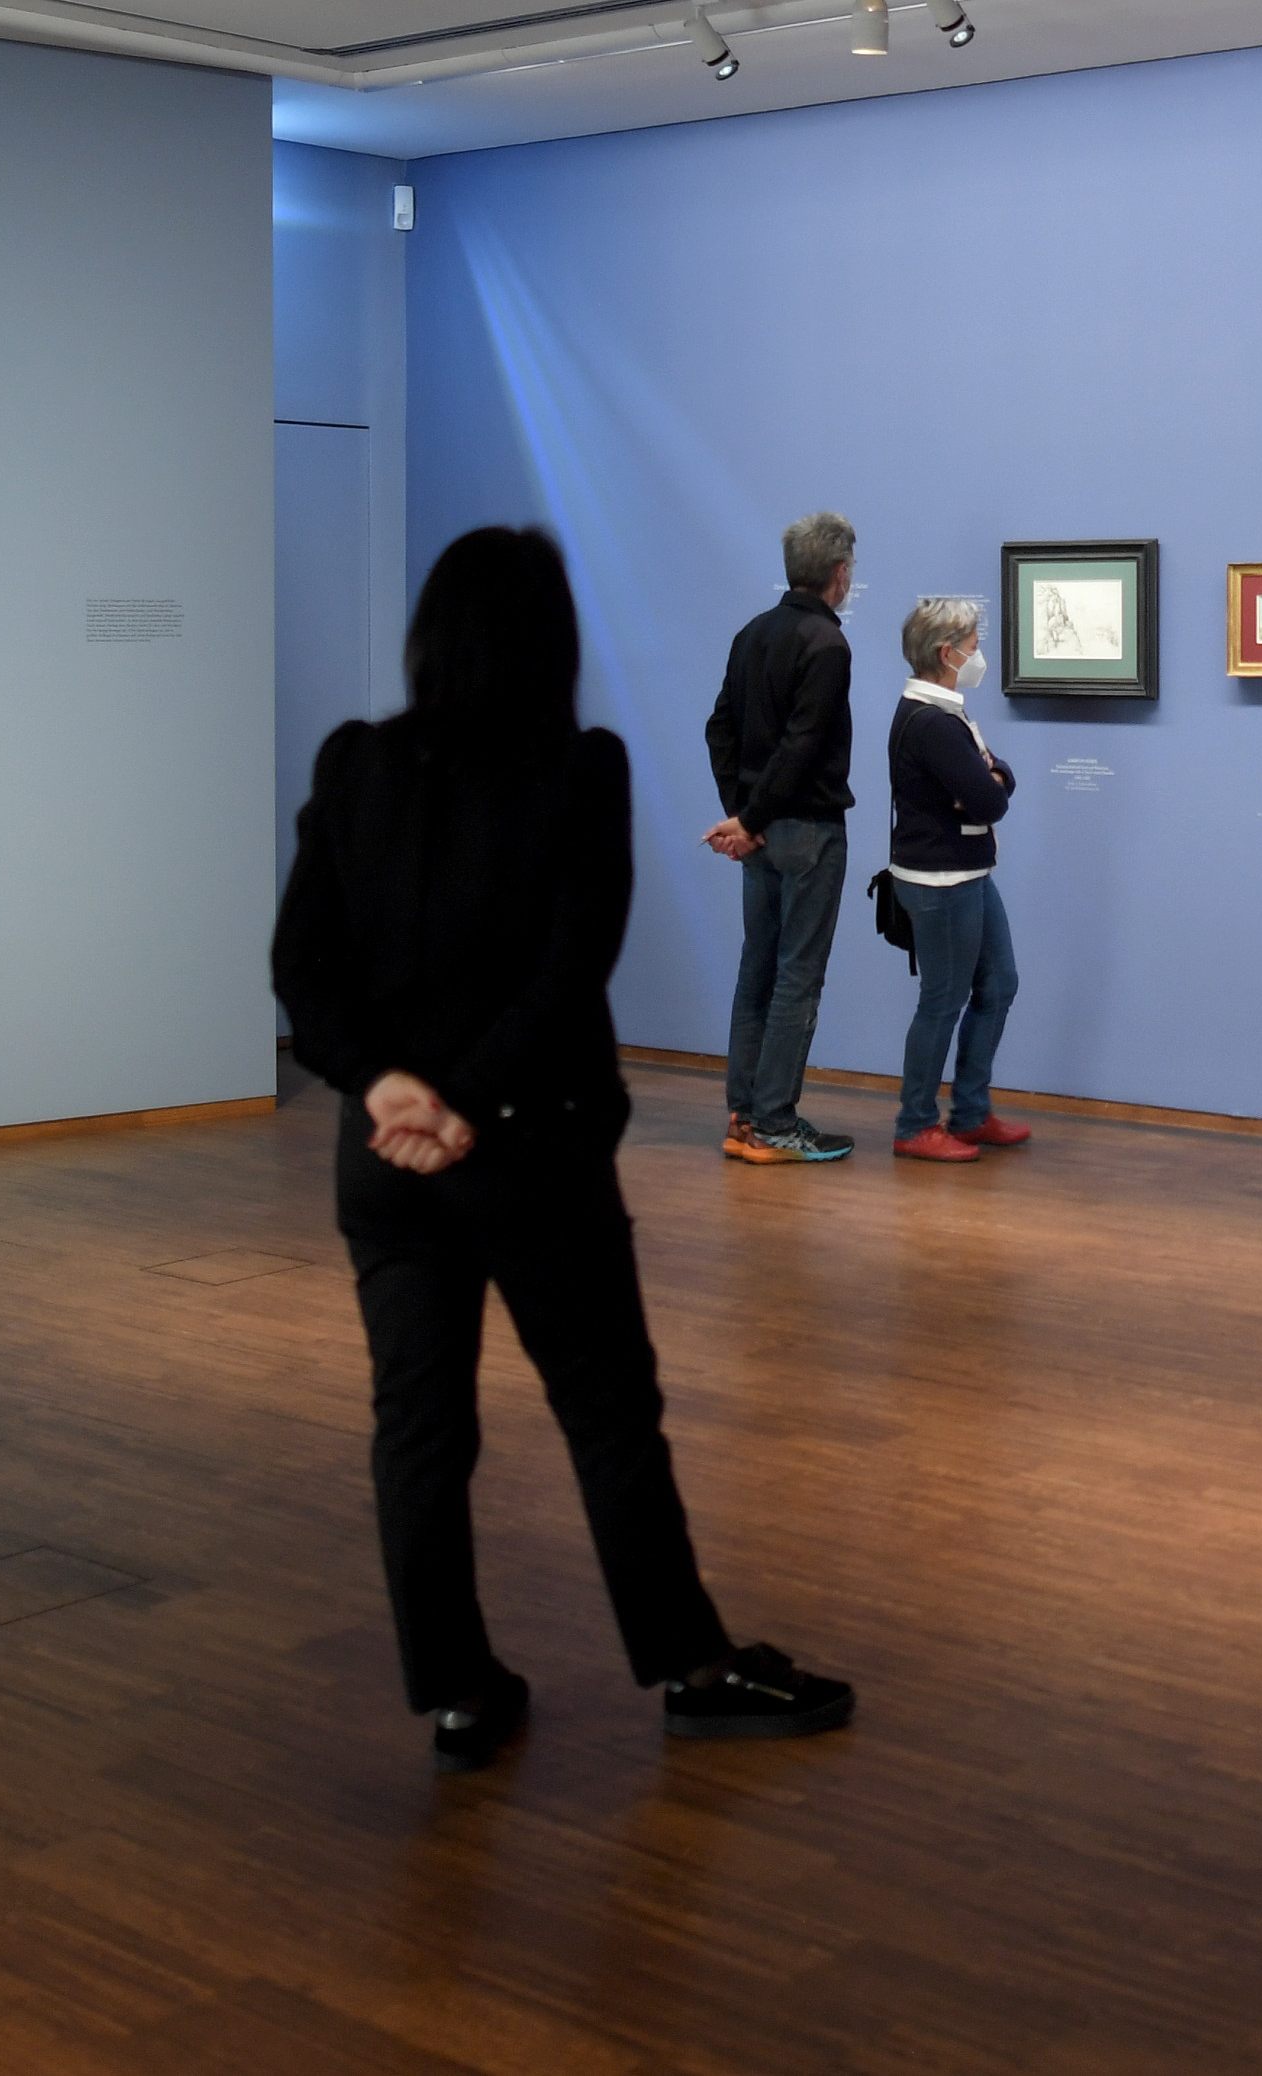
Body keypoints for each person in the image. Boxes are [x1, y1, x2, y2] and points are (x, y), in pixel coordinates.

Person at [274, 525, 853, 1773]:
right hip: (530, 1153)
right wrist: (464, 1104)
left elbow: (301, 970)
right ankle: (694, 1668)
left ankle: (457, 1692)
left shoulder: (355, 763)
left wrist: (390, 1094)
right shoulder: (578, 766)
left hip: (387, 1162)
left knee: (418, 1429)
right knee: (606, 1414)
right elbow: (567, 967)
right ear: (553, 639)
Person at [703, 512, 861, 1165]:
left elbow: (720, 729)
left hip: (762, 834)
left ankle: (745, 1113)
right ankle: (773, 1121)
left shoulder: (751, 633)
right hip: (806, 831)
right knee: (798, 975)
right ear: (839, 573)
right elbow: (803, 746)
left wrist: (741, 816)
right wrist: (753, 819)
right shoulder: (827, 644)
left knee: (757, 970)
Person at [883, 599, 1028, 1163]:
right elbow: (992, 796)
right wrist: (993, 778)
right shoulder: (934, 722)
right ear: (947, 653)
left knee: (1000, 984)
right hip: (940, 880)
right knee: (942, 1000)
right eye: (972, 644)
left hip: (968, 872)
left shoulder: (944, 713)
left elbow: (994, 777)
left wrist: (994, 777)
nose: (978, 655)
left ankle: (970, 1112)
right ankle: (915, 1123)